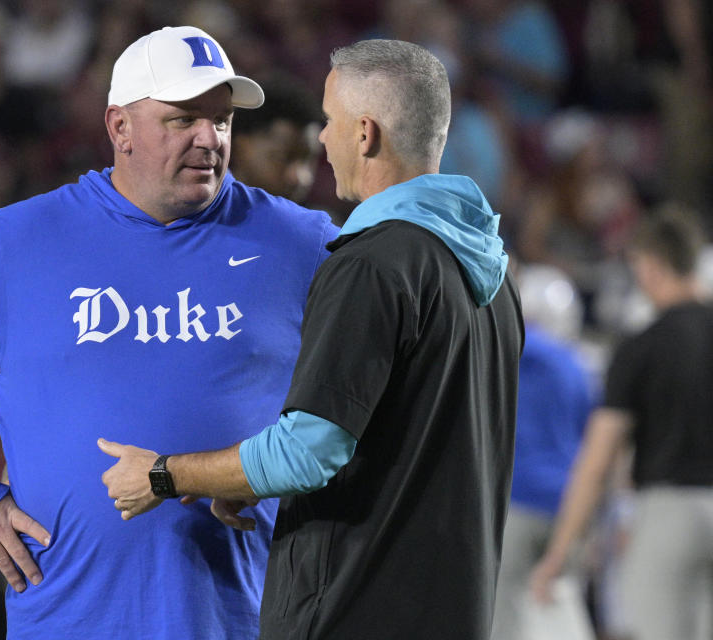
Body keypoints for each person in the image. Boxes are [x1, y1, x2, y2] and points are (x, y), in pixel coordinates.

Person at [0, 25, 337, 639]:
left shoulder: (304, 242)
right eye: (183, 119)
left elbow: (364, 393)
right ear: (119, 127)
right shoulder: (22, 242)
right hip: (70, 616)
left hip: (247, 615)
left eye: (222, 120)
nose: (210, 139)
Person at [100, 39, 523, 639]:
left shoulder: (372, 264)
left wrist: (167, 475)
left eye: (329, 122)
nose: (322, 141)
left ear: (366, 134)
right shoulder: (494, 280)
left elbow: (308, 451)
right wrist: (236, 477)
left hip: (359, 611)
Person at [530, 205, 713, 640]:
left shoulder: (642, 347)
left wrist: (560, 552)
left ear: (649, 265)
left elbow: (597, 462)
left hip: (667, 512)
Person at [490, 263, 596, 640]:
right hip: (568, 508)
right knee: (560, 614)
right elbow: (593, 444)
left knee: (504, 617)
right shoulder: (578, 367)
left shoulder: (505, 349)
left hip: (515, 502)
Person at [228, 75, 322, 204]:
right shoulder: (199, 218)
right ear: (241, 147)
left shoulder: (323, 222)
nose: (299, 178)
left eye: (308, 160)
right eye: (283, 157)